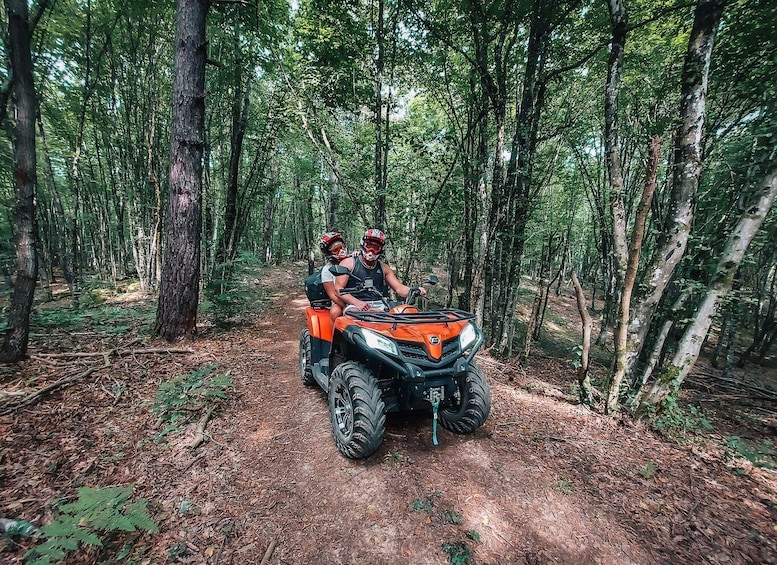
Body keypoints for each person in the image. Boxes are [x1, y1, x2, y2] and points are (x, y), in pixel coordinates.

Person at [335, 228, 425, 313]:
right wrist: (357, 302)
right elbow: (338, 289)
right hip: (355, 305)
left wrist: (414, 290)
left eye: (376, 247)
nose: (372, 250)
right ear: (363, 244)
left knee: (406, 313)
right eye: (369, 245)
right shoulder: (349, 263)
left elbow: (399, 289)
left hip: (381, 305)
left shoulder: (384, 267)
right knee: (353, 314)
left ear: (381, 249)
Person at [318, 231, 349, 322]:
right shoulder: (327, 270)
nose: (341, 251)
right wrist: (345, 305)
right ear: (329, 253)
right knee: (335, 312)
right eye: (336, 250)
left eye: (341, 247)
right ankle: (335, 336)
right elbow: (332, 294)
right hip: (340, 300)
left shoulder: (353, 260)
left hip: (361, 297)